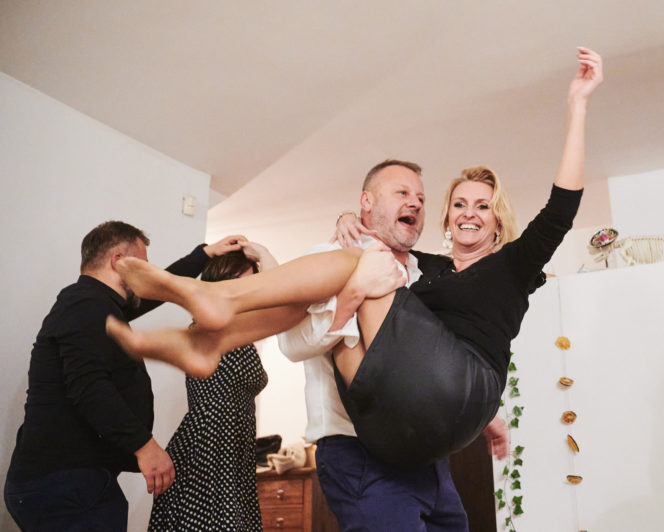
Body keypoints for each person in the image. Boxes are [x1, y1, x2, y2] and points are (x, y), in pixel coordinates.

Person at [106, 46, 602, 471]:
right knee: (365, 265)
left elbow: (561, 208)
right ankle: (212, 338)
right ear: (448, 219)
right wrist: (350, 217)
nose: (469, 213)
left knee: (366, 263)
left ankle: (218, 308)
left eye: (483, 206)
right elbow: (382, 247)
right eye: (458, 204)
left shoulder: (511, 266)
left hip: (463, 387)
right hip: (395, 429)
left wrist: (577, 105)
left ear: (498, 221)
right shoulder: (427, 270)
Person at [277, 159, 506, 530]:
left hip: (429, 458)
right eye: (402, 192)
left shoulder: (426, 274)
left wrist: (480, 414)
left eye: (421, 198)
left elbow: (435, 360)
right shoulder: (329, 255)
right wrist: (352, 294)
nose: (414, 202)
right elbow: (291, 343)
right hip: (360, 453)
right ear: (367, 201)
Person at [4, 220, 243, 532]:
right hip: (64, 485)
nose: (148, 276)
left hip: (72, 482)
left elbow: (158, 291)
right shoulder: (85, 304)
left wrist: (204, 255)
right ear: (119, 261)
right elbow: (88, 386)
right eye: (143, 266)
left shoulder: (96, 304)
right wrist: (145, 446)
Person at [149, 243, 275, 531]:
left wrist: (262, 257)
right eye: (241, 283)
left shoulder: (237, 331)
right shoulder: (210, 330)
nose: (249, 292)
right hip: (207, 451)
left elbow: (280, 299)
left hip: (234, 454)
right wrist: (262, 255)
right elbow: (285, 300)